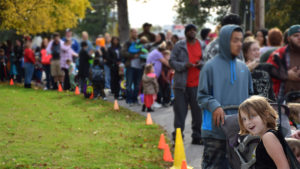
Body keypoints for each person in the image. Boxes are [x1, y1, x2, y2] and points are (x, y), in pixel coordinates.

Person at [197, 25, 253, 169]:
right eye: (235, 40)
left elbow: (251, 96)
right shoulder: (209, 67)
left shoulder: (244, 68)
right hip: (215, 132)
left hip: (239, 131)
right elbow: (202, 96)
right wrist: (214, 106)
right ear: (224, 41)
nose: (239, 44)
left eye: (241, 40)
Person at [169, 24, 206, 145]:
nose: (192, 32)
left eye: (194, 30)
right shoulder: (179, 46)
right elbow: (171, 61)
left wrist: (201, 64)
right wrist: (184, 65)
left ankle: (197, 136)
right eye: (189, 31)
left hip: (197, 84)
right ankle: (178, 137)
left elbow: (207, 60)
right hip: (181, 85)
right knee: (180, 112)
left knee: (197, 113)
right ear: (185, 33)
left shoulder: (202, 45)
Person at [238, 95, 289, 169]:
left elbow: (283, 167)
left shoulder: (268, 137)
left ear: (266, 114)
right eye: (244, 119)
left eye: (252, 116)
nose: (248, 122)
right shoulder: (267, 136)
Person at [266, 25, 300, 100]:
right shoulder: (279, 54)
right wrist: (286, 75)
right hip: (283, 101)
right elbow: (267, 73)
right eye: (296, 36)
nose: (299, 38)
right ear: (288, 38)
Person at [121, 29, 143, 106]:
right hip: (130, 66)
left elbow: (144, 50)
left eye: (136, 32)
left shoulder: (140, 42)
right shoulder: (127, 43)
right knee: (129, 84)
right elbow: (123, 52)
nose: (135, 33)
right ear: (131, 33)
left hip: (139, 66)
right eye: (133, 32)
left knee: (137, 84)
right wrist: (133, 55)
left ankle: (135, 99)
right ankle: (129, 100)